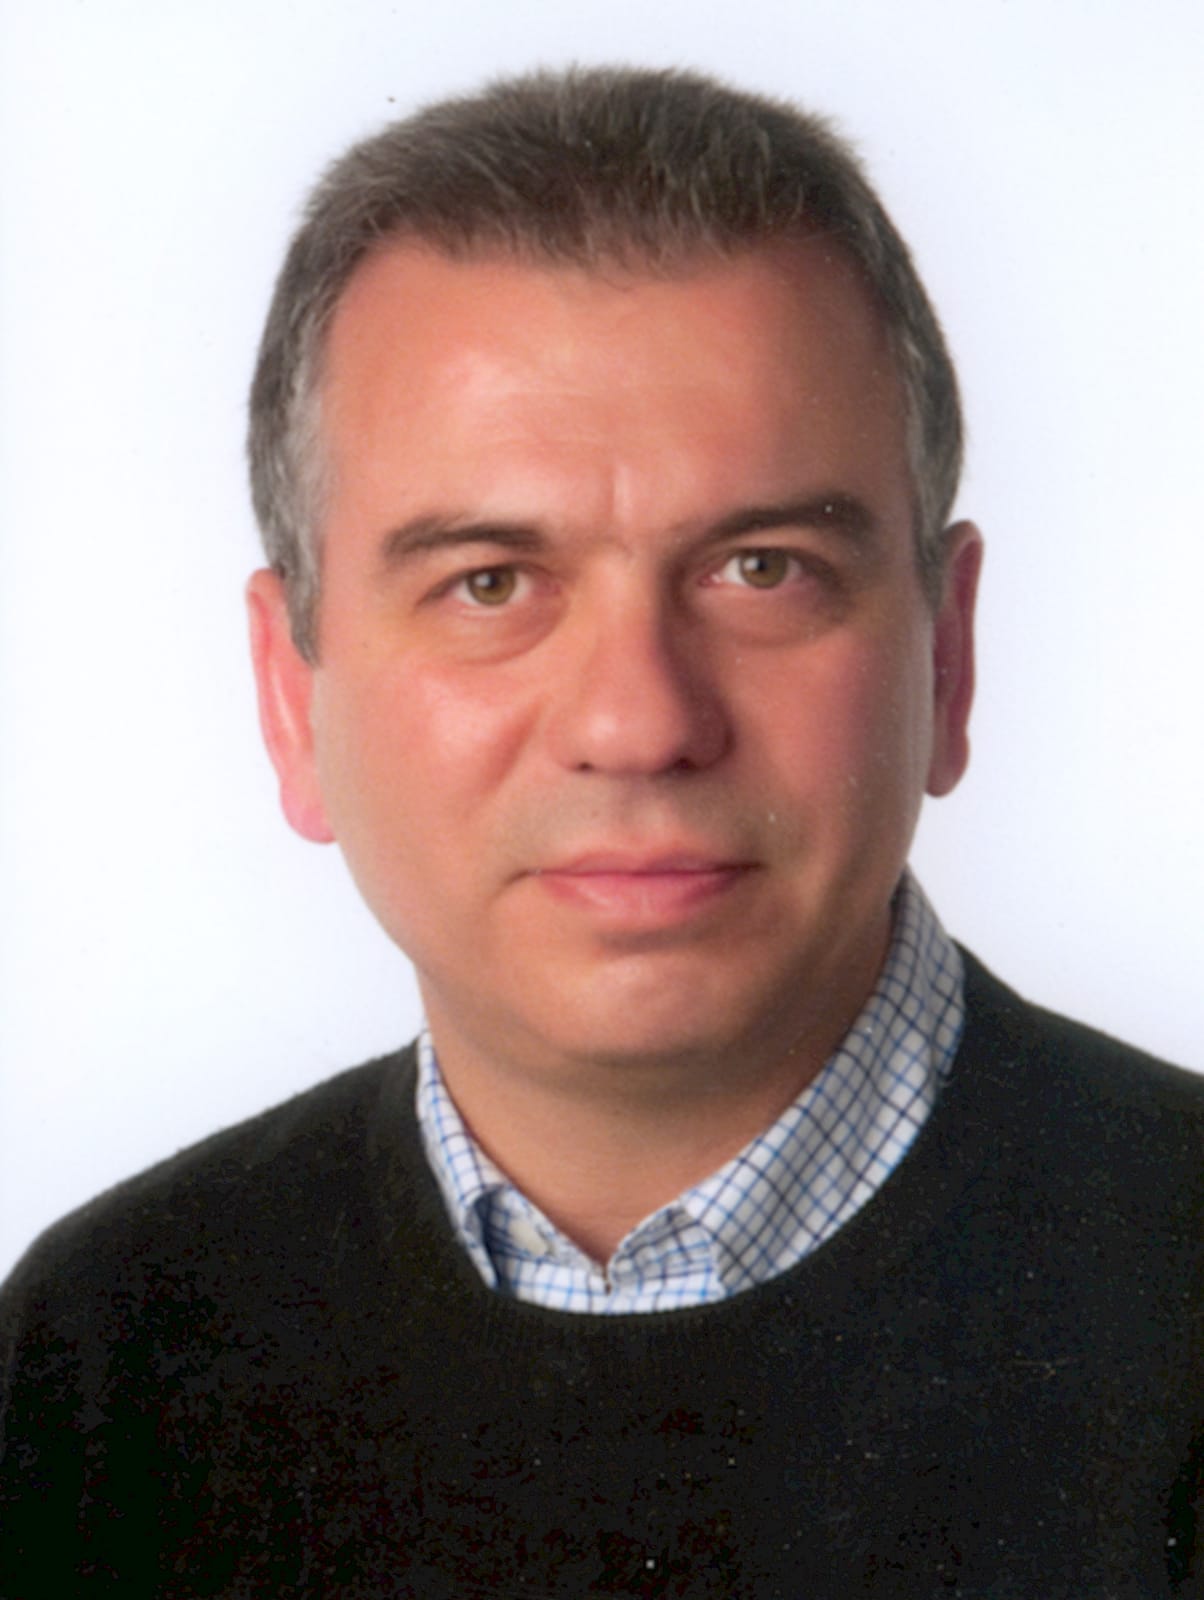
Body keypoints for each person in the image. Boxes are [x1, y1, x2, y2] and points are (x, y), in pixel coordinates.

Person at [1, 65, 1200, 1598]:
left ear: (947, 659)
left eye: (762, 569)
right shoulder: (95, 1363)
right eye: (490, 584)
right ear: (292, 700)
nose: (638, 721)